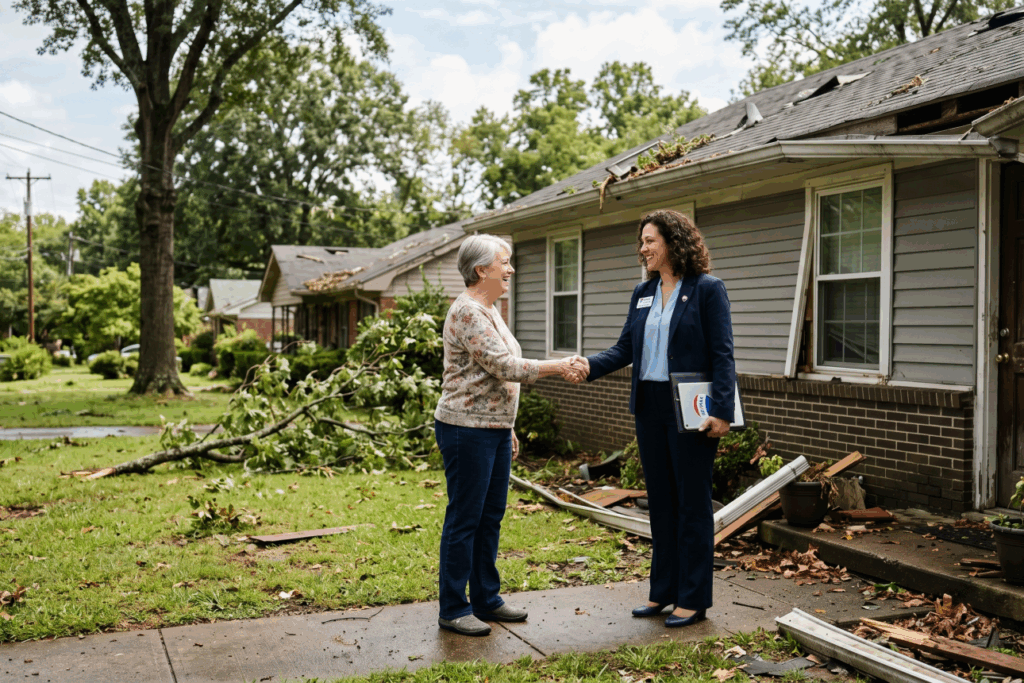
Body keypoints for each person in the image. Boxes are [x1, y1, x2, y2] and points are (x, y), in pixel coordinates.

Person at [570, 209, 735, 628]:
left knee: (692, 504)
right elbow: (626, 348)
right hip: (650, 406)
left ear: (673, 242)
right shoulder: (643, 292)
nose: (642, 248)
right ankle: (663, 592)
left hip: (691, 409)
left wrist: (722, 410)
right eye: (641, 242)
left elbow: (723, 354)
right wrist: (587, 365)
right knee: (660, 503)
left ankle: (693, 598)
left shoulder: (707, 290)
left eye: (649, 241)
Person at [434, 234, 586, 637]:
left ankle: (486, 598)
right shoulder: (468, 312)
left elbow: (493, 376)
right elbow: (503, 366)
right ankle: (453, 607)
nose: (511, 269)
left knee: (491, 517)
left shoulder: (490, 308)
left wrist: (509, 426)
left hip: (493, 429)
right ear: (481, 270)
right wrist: (561, 366)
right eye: (504, 262)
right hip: (466, 430)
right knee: (465, 518)